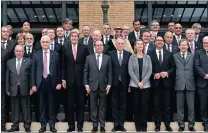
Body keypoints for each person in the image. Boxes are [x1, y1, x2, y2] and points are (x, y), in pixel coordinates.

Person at [31, 35, 61, 133]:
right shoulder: (36, 54)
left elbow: (59, 70)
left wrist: (59, 82)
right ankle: (43, 125)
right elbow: (33, 71)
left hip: (52, 82)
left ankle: (52, 125)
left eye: (46, 42)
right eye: (43, 42)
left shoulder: (55, 54)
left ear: (49, 43)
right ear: (40, 43)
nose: (45, 43)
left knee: (51, 104)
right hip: (40, 83)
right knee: (41, 105)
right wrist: (33, 85)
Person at [61, 31, 89, 132]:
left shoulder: (84, 48)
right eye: (72, 36)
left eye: (75, 36)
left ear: (78, 37)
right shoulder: (65, 48)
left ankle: (80, 126)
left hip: (81, 81)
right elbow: (63, 65)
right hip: (69, 81)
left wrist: (87, 81)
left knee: (81, 104)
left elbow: (87, 65)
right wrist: (63, 78)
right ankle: (71, 126)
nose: (74, 37)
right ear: (70, 38)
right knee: (70, 105)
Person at [84, 40, 112, 133]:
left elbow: (110, 72)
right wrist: (86, 85)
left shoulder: (108, 58)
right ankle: (95, 125)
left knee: (103, 106)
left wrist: (109, 84)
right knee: (93, 107)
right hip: (92, 86)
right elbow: (86, 72)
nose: (99, 47)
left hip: (104, 85)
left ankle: (102, 125)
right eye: (97, 45)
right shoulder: (89, 58)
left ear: (103, 47)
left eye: (101, 45)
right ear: (94, 47)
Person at [149, 36, 175, 131]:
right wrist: (153, 74)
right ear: (155, 42)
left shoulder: (169, 53)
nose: (159, 42)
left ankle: (167, 124)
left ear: (163, 42)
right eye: (157, 40)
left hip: (167, 84)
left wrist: (167, 73)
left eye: (161, 40)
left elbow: (173, 67)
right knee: (156, 106)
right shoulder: (150, 54)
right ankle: (157, 125)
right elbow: (147, 69)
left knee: (167, 105)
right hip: (155, 84)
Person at [6, 45, 32, 132]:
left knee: (26, 108)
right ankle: (15, 126)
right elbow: (7, 77)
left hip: (25, 88)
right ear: (14, 52)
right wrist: (7, 89)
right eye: (17, 51)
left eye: (20, 51)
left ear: (23, 52)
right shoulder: (9, 62)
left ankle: (27, 126)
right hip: (13, 89)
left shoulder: (29, 61)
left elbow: (31, 76)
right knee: (14, 108)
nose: (19, 53)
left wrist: (32, 87)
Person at [128, 40, 152, 132]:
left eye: (141, 44)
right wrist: (138, 82)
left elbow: (150, 71)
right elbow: (130, 71)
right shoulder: (131, 57)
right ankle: (138, 126)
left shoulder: (148, 57)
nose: (140, 45)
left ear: (143, 46)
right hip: (135, 85)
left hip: (145, 86)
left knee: (144, 106)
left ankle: (144, 126)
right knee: (136, 106)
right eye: (138, 44)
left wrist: (143, 82)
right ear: (135, 46)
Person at [108, 38, 131, 132]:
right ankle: (115, 124)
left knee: (123, 105)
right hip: (114, 83)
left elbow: (129, 70)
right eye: (119, 43)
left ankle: (121, 124)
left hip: (124, 84)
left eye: (122, 43)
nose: (120, 45)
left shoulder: (128, 54)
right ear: (116, 44)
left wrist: (129, 84)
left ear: (124, 44)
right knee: (114, 105)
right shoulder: (110, 54)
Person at [173, 39, 196, 131]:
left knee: (191, 107)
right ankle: (181, 125)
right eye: (182, 45)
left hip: (190, 83)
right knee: (180, 106)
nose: (183, 47)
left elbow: (195, 69)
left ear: (188, 46)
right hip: (179, 83)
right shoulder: (174, 56)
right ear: (179, 46)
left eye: (185, 45)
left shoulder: (192, 56)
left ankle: (191, 125)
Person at [195, 36, 208, 131]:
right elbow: (197, 66)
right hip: (202, 83)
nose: (206, 44)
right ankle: (205, 123)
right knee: (203, 105)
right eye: (204, 43)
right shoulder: (198, 52)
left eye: (207, 42)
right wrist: (205, 75)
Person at [1, 48, 9, 131]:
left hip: (1, 82)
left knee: (1, 105)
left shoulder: (5, 52)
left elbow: (7, 69)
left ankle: (2, 125)